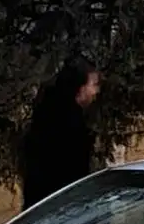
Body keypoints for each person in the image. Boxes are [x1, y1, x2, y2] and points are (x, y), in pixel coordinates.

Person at [20, 59, 100, 210]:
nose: (96, 91)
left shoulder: (44, 116)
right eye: (94, 85)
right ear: (80, 87)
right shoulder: (70, 124)